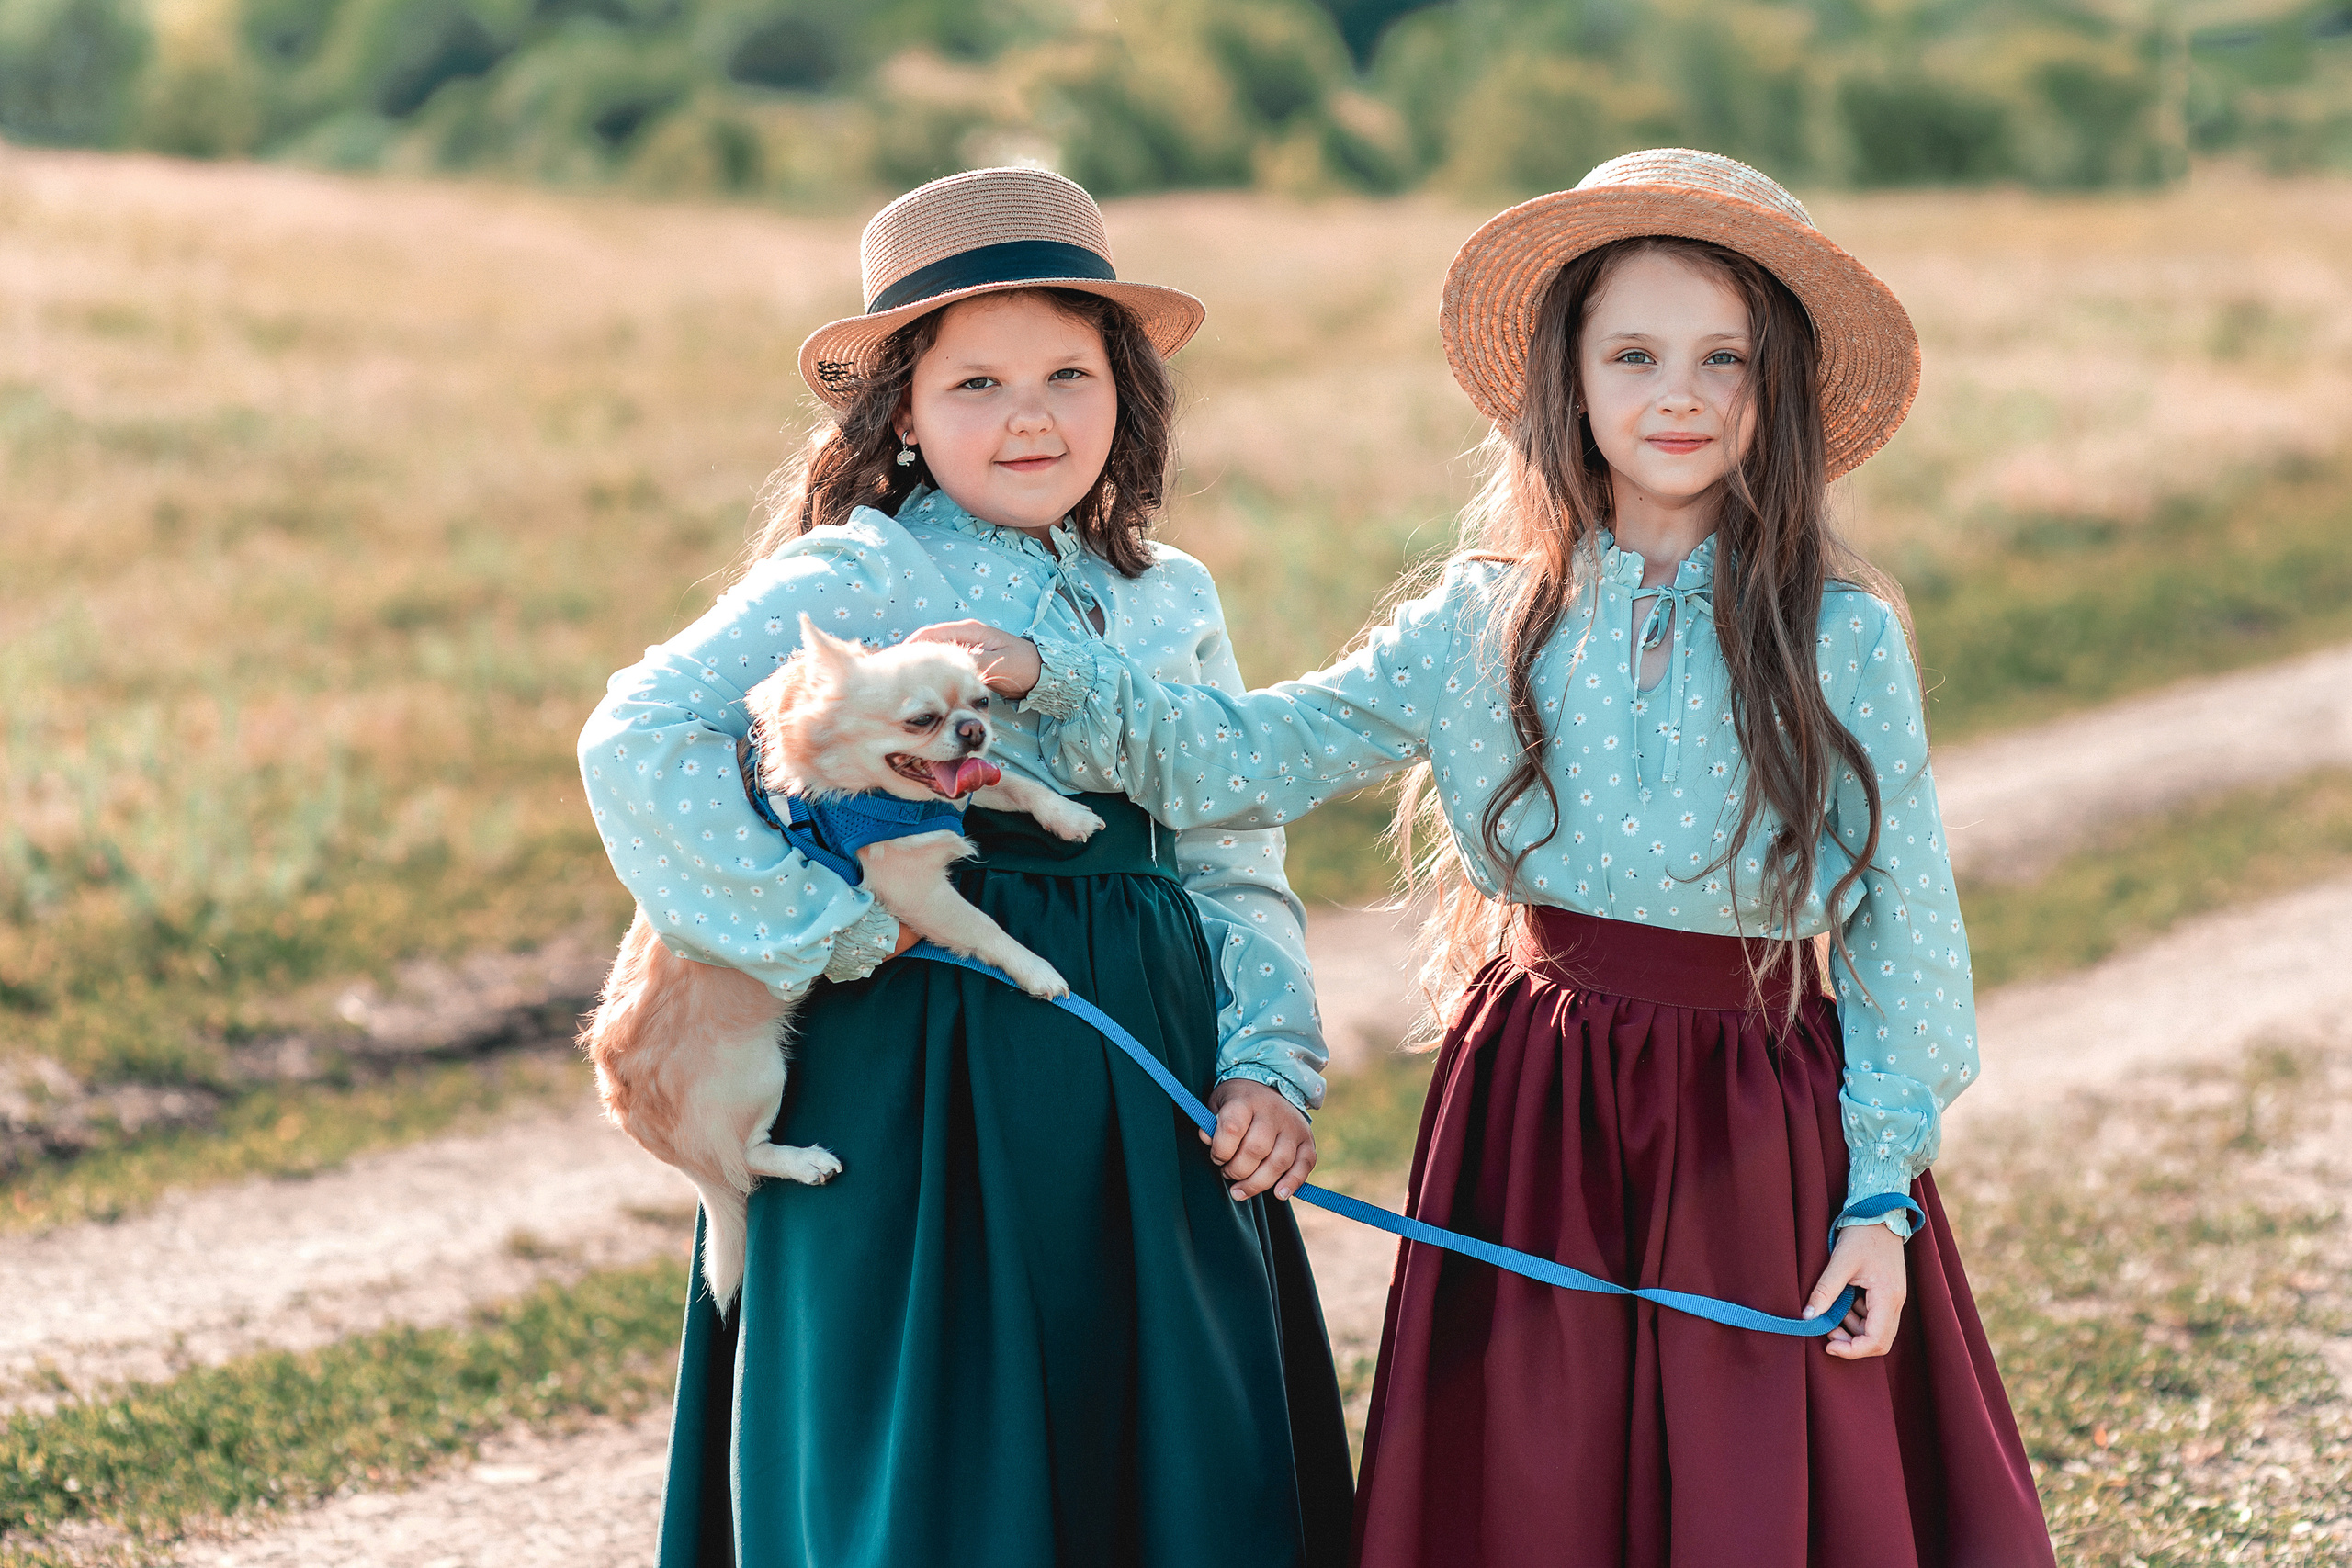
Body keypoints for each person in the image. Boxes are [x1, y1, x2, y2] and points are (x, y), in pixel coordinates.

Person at [913, 150, 2057, 1567]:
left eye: (1725, 358)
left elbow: (1904, 931)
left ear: (1780, 390)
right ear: (1566, 379)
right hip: (1539, 1095)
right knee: (1536, 1466)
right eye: (1633, 354)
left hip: (1758, 1108)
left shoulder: (1840, 636)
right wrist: (1054, 677)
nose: (1680, 395)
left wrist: (1879, 1197)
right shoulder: (1479, 621)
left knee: (1745, 1459)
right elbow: (1240, 758)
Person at [577, 165, 1351, 1568]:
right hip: (912, 1064)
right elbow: (635, 735)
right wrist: (824, 925)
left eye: (1067, 374)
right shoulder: (857, 576)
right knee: (937, 1445)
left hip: (1140, 1066)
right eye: (977, 384)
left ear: (1125, 391)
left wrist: (1267, 1058)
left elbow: (1229, 836)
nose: (1030, 416)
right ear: (905, 414)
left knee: (1157, 1440)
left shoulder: (1168, 595)